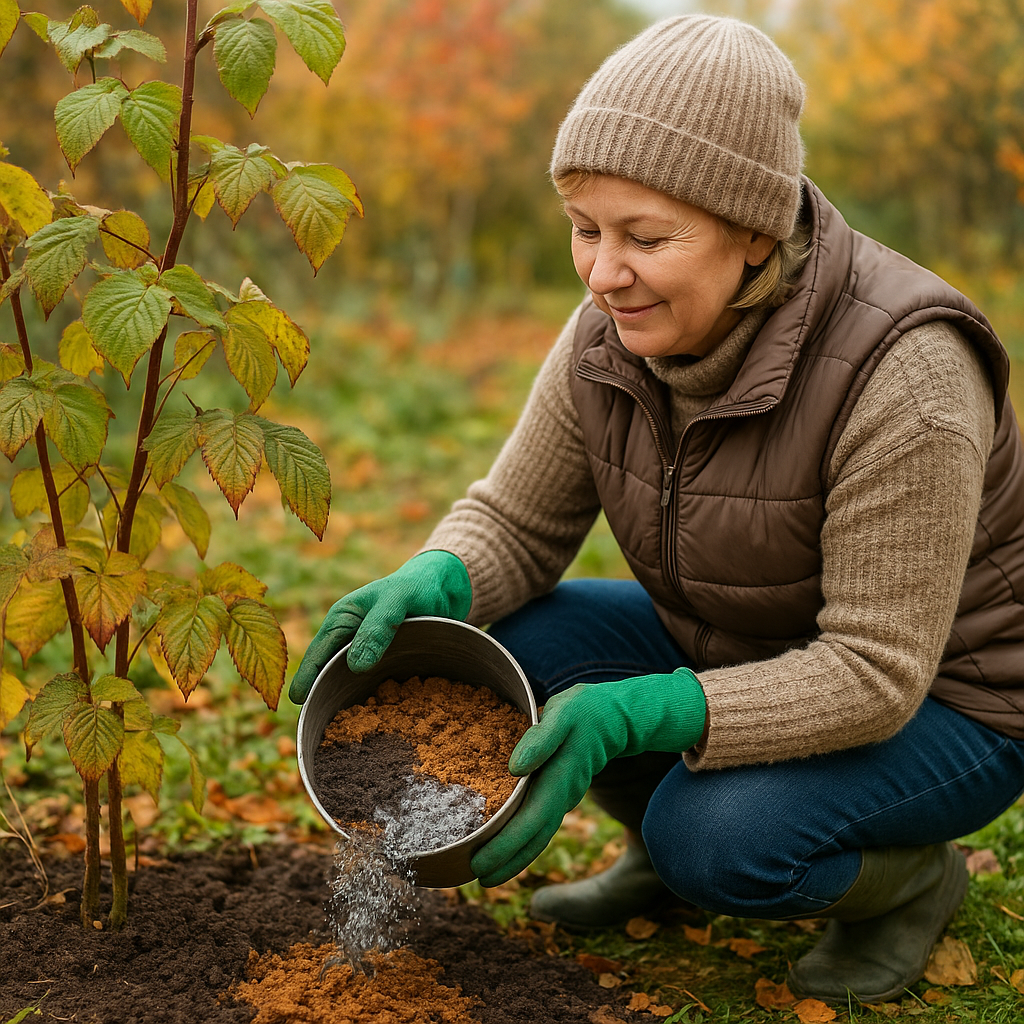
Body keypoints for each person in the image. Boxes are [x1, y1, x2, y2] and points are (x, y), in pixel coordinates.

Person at [289, 14, 1024, 1005]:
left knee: (716, 836)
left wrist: (653, 706)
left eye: (645, 237)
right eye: (586, 229)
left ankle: (900, 884)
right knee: (513, 640)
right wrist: (442, 575)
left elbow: (875, 669)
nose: (601, 272)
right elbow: (515, 520)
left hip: (948, 698)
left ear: (755, 231)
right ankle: (658, 862)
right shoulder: (610, 330)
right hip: (750, 643)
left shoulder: (907, 375)